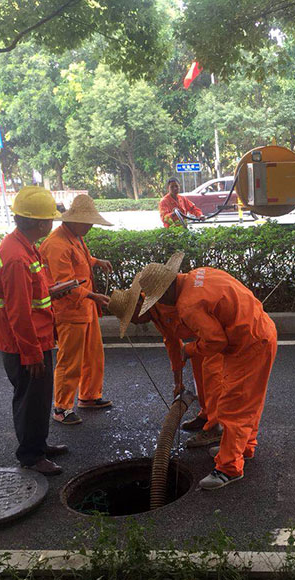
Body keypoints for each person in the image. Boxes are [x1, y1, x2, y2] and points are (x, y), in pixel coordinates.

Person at [138, 257, 278, 490]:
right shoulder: (198, 274)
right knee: (249, 401)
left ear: (166, 291)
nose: (161, 303)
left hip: (248, 344)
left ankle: (228, 468)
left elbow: (215, 341)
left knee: (234, 406)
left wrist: (190, 349)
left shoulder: (188, 305)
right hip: (256, 333)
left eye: (159, 299)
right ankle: (243, 447)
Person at [0, 186, 71, 475]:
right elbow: (19, 313)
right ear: (40, 223)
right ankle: (31, 456)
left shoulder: (23, 246)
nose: (52, 223)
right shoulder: (16, 257)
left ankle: (39, 444)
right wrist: (32, 354)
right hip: (24, 344)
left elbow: (31, 296)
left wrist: (53, 291)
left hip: (36, 338)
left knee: (39, 398)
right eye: (50, 218)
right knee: (29, 399)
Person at [110, 256, 224, 447]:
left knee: (212, 377)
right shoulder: (154, 314)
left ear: (139, 305)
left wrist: (195, 347)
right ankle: (206, 416)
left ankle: (215, 428)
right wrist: (177, 382)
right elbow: (172, 343)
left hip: (213, 334)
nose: (135, 323)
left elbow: (199, 326)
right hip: (199, 339)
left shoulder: (162, 300)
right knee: (201, 378)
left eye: (132, 318)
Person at [40, 194, 113, 425]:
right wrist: (93, 295)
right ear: (75, 220)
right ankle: (61, 407)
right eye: (88, 222)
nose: (91, 227)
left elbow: (81, 259)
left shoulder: (74, 237)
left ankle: (89, 396)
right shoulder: (56, 244)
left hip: (85, 307)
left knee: (93, 353)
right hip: (70, 310)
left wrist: (96, 261)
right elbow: (65, 284)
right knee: (69, 360)